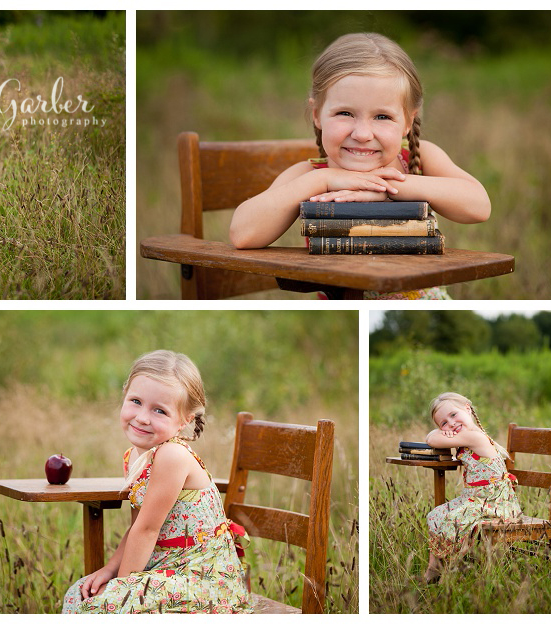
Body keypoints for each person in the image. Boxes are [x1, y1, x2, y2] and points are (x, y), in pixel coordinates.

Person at [229, 32, 491, 299]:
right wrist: (322, 181)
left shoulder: (419, 157)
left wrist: (391, 187)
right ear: (318, 114)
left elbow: (479, 206)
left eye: (382, 116)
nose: (363, 133)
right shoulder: (309, 175)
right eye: (345, 113)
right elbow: (243, 234)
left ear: (408, 122)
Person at [61, 350, 251, 613]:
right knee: (78, 594)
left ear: (185, 420)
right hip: (164, 570)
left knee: (100, 608)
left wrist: (122, 591)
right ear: (124, 394)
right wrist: (110, 569)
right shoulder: (135, 457)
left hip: (202, 581)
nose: (142, 417)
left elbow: (147, 531)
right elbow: (138, 528)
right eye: (136, 401)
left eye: (159, 410)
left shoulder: (172, 455)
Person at [422, 392, 521, 583]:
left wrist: (437, 433)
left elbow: (432, 439)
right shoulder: (467, 436)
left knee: (454, 519)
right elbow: (434, 437)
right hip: (478, 499)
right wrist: (439, 432)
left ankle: (449, 571)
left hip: (494, 502)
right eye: (443, 423)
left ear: (467, 408)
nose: (450, 424)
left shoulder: (472, 437)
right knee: (435, 514)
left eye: (453, 415)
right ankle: (434, 568)